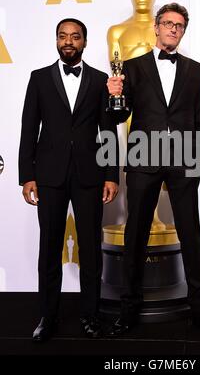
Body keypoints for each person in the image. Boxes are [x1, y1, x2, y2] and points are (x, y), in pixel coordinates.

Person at [106, 2, 200, 336]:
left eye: (179, 25)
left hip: (184, 160)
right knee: (136, 233)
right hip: (144, 157)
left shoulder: (193, 68)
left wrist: (199, 155)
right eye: (168, 23)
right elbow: (117, 116)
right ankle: (128, 310)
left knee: (190, 233)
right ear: (156, 28)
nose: (173, 29)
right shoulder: (132, 66)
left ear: (183, 31)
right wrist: (113, 95)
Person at [18, 18, 119, 342]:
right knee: (49, 248)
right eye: (63, 36)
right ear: (56, 41)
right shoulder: (39, 79)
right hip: (48, 175)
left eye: (75, 37)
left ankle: (90, 316)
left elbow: (109, 132)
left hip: (90, 174)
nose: (68, 41)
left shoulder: (100, 79)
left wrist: (111, 175)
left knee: (91, 249)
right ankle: (48, 316)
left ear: (84, 43)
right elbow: (28, 129)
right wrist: (27, 176)